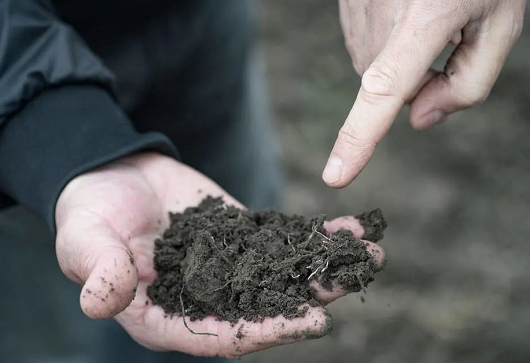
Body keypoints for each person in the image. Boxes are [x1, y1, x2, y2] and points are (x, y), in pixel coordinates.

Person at [0, 0, 385, 361]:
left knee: (240, 205)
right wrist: (47, 132)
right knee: (54, 328)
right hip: (19, 80)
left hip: (197, 23)